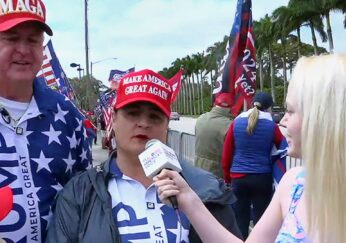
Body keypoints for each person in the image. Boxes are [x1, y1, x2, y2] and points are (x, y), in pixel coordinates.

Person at [155, 51, 346, 243]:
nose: (283, 120)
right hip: (262, 180)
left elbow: (229, 153)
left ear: (328, 119)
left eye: (290, 110)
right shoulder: (294, 184)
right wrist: (189, 199)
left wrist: (227, 176)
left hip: (241, 180)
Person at [46, 69, 241, 242]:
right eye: (133, 113)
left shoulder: (206, 188)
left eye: (155, 117)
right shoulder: (79, 192)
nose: (143, 123)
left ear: (167, 125)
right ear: (113, 119)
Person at [0, 1, 91, 242]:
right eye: (11, 37)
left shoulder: (67, 114)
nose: (23, 49)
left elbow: (86, 196)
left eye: (32, 40)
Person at [221, 91, 284, 238]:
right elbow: (281, 147)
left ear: (252, 104)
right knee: (261, 221)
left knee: (240, 220)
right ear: (269, 108)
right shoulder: (272, 126)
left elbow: (226, 154)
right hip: (262, 178)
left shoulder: (236, 122)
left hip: (238, 178)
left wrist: (227, 177)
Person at [194, 93, 233, 178]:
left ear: (215, 104)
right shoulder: (229, 125)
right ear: (229, 108)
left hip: (198, 167)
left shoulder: (201, 118)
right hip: (216, 172)